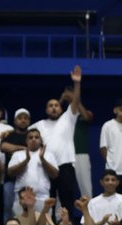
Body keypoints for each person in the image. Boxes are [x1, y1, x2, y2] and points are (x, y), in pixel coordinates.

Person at [34, 66, 84, 215]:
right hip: (46, 167)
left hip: (65, 166)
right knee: (48, 202)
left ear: (61, 108)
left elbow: (75, 101)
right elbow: (24, 135)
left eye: (56, 105)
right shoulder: (39, 125)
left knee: (67, 201)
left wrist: (77, 83)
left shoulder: (68, 118)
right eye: (51, 106)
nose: (54, 108)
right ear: (46, 110)